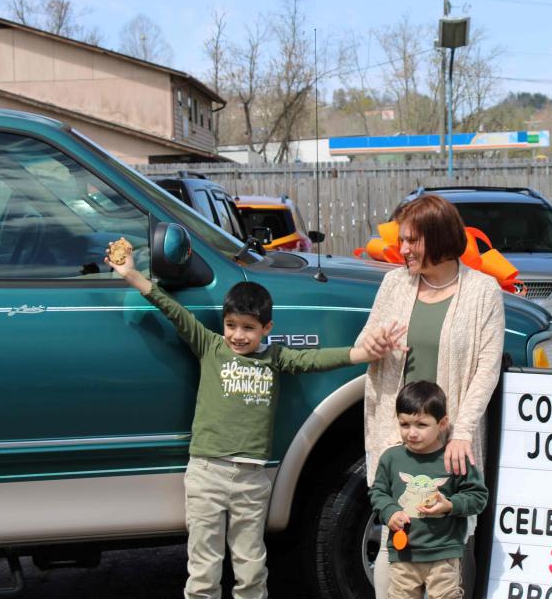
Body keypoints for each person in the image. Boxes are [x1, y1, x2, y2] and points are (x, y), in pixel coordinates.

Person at [105, 241, 400, 599]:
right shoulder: (210, 346)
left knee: (250, 567)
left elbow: (315, 360)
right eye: (231, 325)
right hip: (206, 475)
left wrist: (362, 354)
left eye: (247, 327)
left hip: (251, 479)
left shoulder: (275, 357)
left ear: (266, 327)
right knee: (203, 567)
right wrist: (132, 274)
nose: (237, 335)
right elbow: (172, 310)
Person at [359, 194, 505, 598]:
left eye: (412, 241)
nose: (402, 249)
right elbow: (365, 342)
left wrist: (461, 433)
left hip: (450, 444)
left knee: (450, 561)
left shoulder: (482, 292)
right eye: (402, 240)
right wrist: (379, 346)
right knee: (396, 558)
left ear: (439, 239)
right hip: (398, 438)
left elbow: (486, 370)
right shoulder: (395, 284)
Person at [369, 381, 488, 599]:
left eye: (421, 425)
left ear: (442, 423)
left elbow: (478, 497)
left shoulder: (455, 458)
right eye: (404, 425)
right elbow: (378, 492)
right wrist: (390, 512)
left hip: (444, 554)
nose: (412, 433)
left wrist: (450, 505)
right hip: (404, 554)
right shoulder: (391, 458)